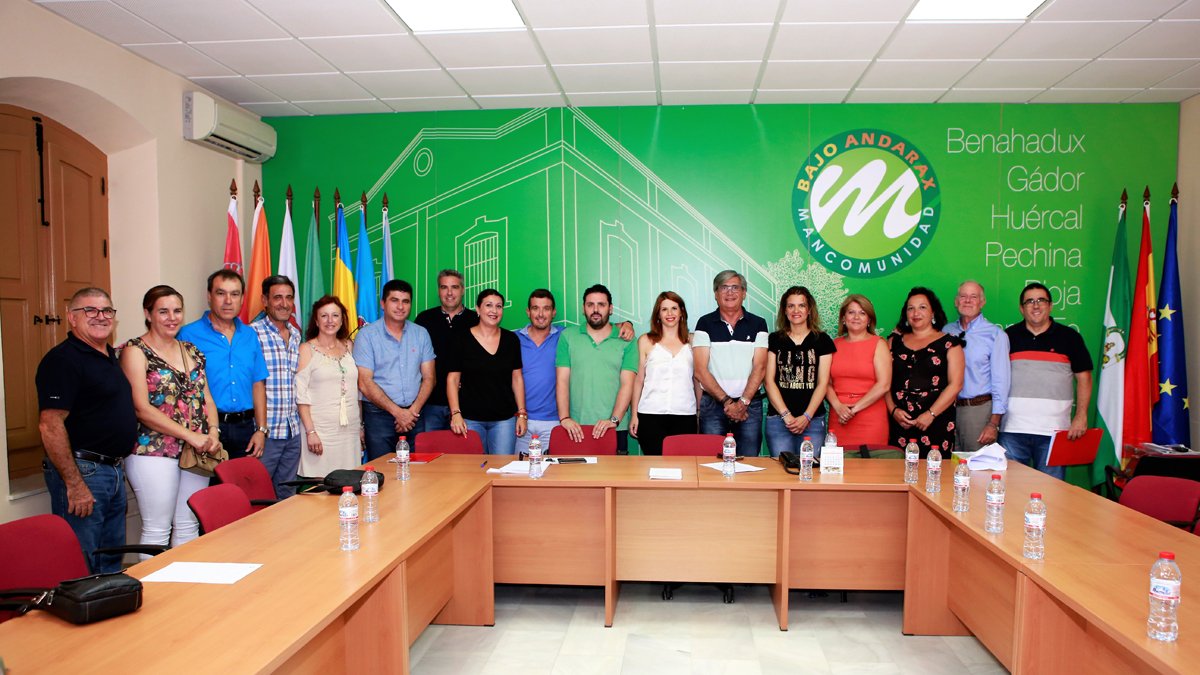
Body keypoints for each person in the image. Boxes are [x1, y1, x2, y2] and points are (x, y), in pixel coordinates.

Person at [36, 287, 137, 573]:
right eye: (90, 310)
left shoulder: (110, 356)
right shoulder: (63, 360)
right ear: (72, 318)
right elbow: (50, 424)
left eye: (107, 311)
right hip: (84, 472)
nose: (100, 316)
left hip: (113, 471)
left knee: (110, 559)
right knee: (81, 563)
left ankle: (111, 613)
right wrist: (75, 484)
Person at [119, 285, 218, 556]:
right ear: (148, 314)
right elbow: (141, 408)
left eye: (177, 311)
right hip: (153, 452)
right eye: (163, 311)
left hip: (196, 452)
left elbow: (206, 398)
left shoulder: (192, 350)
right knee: (157, 530)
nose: (171, 317)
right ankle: (154, 595)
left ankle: (184, 592)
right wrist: (190, 435)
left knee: (188, 525)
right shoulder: (134, 351)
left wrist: (213, 434)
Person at [999, 282, 1093, 480]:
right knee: (1012, 491)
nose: (1035, 305)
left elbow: (1084, 377)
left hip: (1055, 432)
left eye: (1041, 300)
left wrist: (1081, 415)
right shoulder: (1008, 337)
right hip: (1013, 429)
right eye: (1029, 301)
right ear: (1021, 308)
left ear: (1050, 306)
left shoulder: (1070, 337)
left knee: (1052, 495)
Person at [178, 270, 268, 461]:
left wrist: (261, 429)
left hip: (245, 429)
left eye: (235, 294)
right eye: (221, 293)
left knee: (241, 489)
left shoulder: (249, 335)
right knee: (209, 490)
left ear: (242, 298)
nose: (228, 300)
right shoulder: (188, 335)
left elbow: (258, 384)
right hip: (205, 429)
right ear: (209, 296)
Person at [354, 280, 436, 463]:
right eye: (394, 300)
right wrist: (398, 413)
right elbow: (365, 383)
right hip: (378, 417)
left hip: (415, 416)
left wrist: (411, 412)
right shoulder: (366, 336)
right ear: (383, 304)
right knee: (382, 472)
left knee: (419, 474)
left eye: (406, 301)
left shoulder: (421, 334)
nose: (400, 306)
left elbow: (430, 378)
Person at [556, 284, 639, 454]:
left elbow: (627, 385)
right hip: (576, 427)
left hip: (614, 428)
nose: (595, 309)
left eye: (601, 305)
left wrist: (614, 420)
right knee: (575, 479)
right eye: (590, 304)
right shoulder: (568, 337)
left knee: (614, 479)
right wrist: (564, 418)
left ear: (610, 309)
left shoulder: (627, 340)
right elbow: (562, 381)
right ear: (583, 308)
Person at [693, 270, 769, 456]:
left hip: (749, 405)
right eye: (724, 288)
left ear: (744, 293)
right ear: (716, 294)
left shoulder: (758, 324)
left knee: (749, 461)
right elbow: (700, 371)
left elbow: (760, 368)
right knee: (712, 463)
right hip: (713, 405)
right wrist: (728, 402)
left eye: (735, 287)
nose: (730, 292)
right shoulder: (704, 323)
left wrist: (742, 403)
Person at [885, 287, 965, 457]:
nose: (916, 313)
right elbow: (884, 382)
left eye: (922, 307)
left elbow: (956, 384)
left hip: (935, 423)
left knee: (934, 476)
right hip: (899, 422)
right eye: (911, 308)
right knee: (896, 475)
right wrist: (893, 410)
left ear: (933, 312)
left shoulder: (950, 344)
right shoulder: (893, 342)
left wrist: (931, 414)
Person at [446, 290, 527, 454]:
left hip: (504, 420)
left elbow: (517, 378)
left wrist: (522, 414)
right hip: (470, 419)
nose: (494, 311)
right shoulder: (462, 339)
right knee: (472, 473)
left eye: (499, 306)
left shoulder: (511, 340)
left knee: (502, 471)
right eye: (488, 305)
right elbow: (453, 379)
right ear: (477, 309)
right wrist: (455, 413)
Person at [763, 286, 835, 457]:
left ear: (809, 309)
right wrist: (786, 415)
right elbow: (769, 381)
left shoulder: (822, 340)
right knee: (781, 474)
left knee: (809, 474)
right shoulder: (774, 339)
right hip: (779, 420)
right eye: (791, 306)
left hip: (813, 421)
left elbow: (823, 383)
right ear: (785, 310)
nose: (796, 310)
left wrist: (807, 416)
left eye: (801, 305)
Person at [296, 296, 362, 475]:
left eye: (335, 315)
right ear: (316, 321)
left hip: (350, 431)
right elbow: (301, 395)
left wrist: (360, 427)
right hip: (320, 432)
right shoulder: (306, 349)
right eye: (324, 316)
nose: (330, 321)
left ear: (342, 319)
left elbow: (357, 391)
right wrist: (311, 432)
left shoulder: (349, 346)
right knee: (321, 487)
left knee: (349, 481)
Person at [943, 280, 1011, 454]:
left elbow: (1001, 382)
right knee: (949, 469)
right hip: (947, 410)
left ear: (982, 302)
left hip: (978, 412)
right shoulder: (946, 331)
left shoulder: (995, 335)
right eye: (963, 296)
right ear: (956, 302)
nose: (967, 300)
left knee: (976, 470)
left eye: (973, 297)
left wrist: (993, 423)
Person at [249, 275, 302, 497]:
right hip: (266, 433)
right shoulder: (252, 333)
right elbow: (251, 382)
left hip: (293, 431)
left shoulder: (297, 335)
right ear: (265, 300)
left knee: (287, 499)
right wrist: (260, 430)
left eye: (289, 297)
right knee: (256, 497)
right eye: (277, 297)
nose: (284, 303)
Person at [630, 291, 697, 456]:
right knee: (654, 468)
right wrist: (634, 415)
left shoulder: (692, 342)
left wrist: (699, 412)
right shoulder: (645, 341)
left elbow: (697, 380)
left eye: (674, 308)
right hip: (650, 415)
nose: (670, 313)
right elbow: (638, 381)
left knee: (682, 469)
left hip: (685, 414)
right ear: (658, 315)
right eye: (664, 309)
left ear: (682, 312)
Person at [414, 270, 478, 435]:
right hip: (430, 404)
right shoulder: (423, 320)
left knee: (465, 458)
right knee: (429, 455)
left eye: (455, 287)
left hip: (467, 405)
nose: (449, 292)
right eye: (444, 287)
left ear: (463, 290)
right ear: (438, 290)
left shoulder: (476, 320)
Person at [826, 294, 891, 447]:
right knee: (838, 467)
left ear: (869, 319)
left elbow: (884, 385)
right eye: (851, 312)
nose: (856, 317)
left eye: (862, 313)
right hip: (838, 417)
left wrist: (853, 410)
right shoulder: (833, 345)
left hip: (870, 419)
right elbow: (825, 383)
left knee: (870, 469)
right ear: (843, 317)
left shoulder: (879, 344)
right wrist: (838, 407)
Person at [516, 289, 562, 454]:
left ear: (554, 312)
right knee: (518, 475)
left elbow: (595, 329)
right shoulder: (513, 339)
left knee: (552, 476)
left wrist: (624, 324)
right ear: (528, 312)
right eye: (535, 308)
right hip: (520, 421)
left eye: (546, 308)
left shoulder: (565, 337)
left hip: (554, 422)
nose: (541, 314)